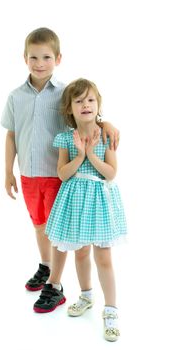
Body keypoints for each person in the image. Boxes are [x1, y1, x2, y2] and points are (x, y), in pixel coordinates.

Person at [1, 28, 120, 295]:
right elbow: (11, 135)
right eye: (34, 57)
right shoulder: (15, 96)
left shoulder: (66, 92)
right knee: (39, 223)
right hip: (29, 173)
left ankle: (55, 282)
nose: (40, 63)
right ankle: (45, 266)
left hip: (60, 174)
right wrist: (8, 170)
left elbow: (87, 113)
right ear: (24, 58)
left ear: (58, 59)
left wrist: (107, 122)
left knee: (59, 229)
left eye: (46, 57)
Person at [34, 78, 127, 342]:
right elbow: (63, 174)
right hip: (74, 200)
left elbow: (110, 174)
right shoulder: (66, 137)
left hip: (99, 200)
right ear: (70, 109)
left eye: (90, 100)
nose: (85, 105)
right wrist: (78, 155)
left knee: (104, 257)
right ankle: (86, 295)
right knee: (81, 253)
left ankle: (110, 311)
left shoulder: (106, 135)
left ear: (98, 104)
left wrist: (91, 154)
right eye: (78, 101)